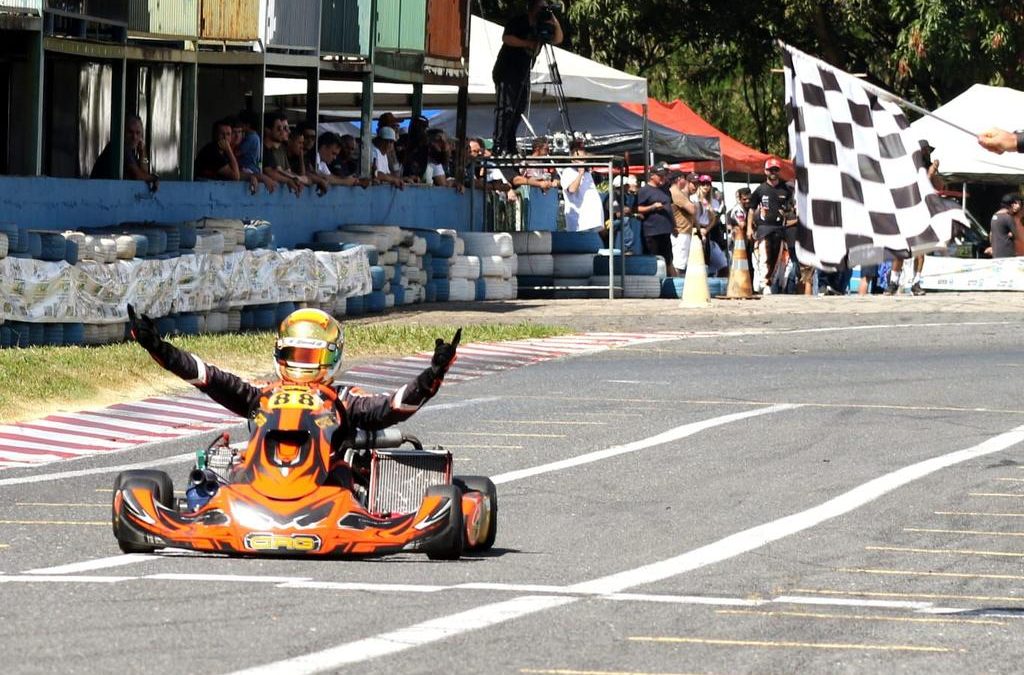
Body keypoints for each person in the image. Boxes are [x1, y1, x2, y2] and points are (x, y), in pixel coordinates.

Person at [127, 305, 461, 472]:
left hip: (331, 489)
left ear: (331, 357)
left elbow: (394, 407)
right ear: (280, 354)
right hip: (260, 484)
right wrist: (158, 347)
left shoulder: (345, 399)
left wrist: (432, 374)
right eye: (294, 354)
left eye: (309, 355)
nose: (301, 363)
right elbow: (207, 377)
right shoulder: (263, 395)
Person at [491, 0, 563, 156]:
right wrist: (527, 43)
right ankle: (499, 145)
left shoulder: (542, 25)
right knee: (506, 109)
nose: (544, 11)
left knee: (518, 110)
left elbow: (558, 39)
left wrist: (553, 18)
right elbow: (506, 38)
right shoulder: (519, 21)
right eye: (541, 8)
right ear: (532, 9)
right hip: (507, 70)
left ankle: (509, 144)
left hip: (523, 73)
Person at [747, 158, 794, 294]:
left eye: (775, 170)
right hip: (763, 228)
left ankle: (770, 282)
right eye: (770, 170)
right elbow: (751, 209)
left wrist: (786, 212)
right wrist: (750, 228)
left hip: (779, 228)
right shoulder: (760, 190)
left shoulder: (785, 190)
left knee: (776, 257)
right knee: (764, 255)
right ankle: (764, 283)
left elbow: (790, 207)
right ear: (765, 171)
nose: (773, 172)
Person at [91, 114, 159, 192]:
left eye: (138, 133)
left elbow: (144, 172)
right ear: (123, 132)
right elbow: (139, 176)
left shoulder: (131, 150)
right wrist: (154, 178)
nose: (134, 137)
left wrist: (142, 152)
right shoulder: (120, 146)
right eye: (130, 132)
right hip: (99, 191)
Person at [636, 165, 675, 272]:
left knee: (668, 260)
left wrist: (674, 225)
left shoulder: (666, 190)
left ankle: (668, 284)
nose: (663, 178)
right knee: (654, 261)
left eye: (664, 176)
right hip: (652, 232)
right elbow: (636, 208)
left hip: (665, 231)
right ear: (652, 176)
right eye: (660, 176)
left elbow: (670, 208)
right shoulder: (644, 191)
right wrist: (652, 207)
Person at [558, 140, 603, 233]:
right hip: (580, 223)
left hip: (593, 221)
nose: (582, 160)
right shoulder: (568, 171)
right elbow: (572, 189)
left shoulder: (588, 173)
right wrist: (580, 173)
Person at [262, 112, 303, 197]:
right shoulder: (262, 148)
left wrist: (293, 179)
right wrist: (288, 180)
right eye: (279, 128)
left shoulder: (270, 150)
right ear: (267, 130)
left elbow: (277, 171)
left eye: (283, 128)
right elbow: (269, 171)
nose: (282, 131)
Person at [234, 110, 274, 194]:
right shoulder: (253, 137)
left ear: (247, 125)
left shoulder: (252, 138)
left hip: (249, 168)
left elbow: (238, 152)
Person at [668, 171, 697, 276]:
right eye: (684, 178)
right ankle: (678, 289)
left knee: (682, 263)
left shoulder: (679, 193)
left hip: (683, 231)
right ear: (679, 179)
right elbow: (692, 209)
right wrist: (694, 206)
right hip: (681, 232)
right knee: (679, 264)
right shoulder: (676, 192)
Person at [287, 128, 329, 196]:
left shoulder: (306, 156)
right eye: (299, 143)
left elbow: (310, 173)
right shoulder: (287, 155)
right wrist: (319, 180)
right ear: (289, 141)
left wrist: (321, 179)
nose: (302, 146)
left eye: (313, 138)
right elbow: (303, 175)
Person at [989, 193, 1021, 259]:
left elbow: (991, 234)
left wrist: (992, 247)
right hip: (1007, 252)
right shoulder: (1008, 217)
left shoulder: (994, 216)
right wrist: (1011, 234)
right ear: (1012, 205)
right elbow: (1016, 235)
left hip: (996, 252)